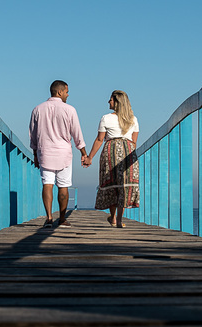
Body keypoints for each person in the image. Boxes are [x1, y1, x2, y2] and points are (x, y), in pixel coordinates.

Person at [29, 80, 88, 228]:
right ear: (60, 92)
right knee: (63, 186)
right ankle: (62, 219)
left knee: (47, 184)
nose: (68, 95)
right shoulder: (70, 110)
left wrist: (35, 154)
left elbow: (33, 135)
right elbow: (77, 134)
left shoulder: (38, 109)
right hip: (63, 154)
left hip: (45, 152)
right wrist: (84, 153)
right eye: (67, 92)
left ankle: (49, 217)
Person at [85, 90, 140, 228]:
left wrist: (89, 157)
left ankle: (114, 218)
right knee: (123, 185)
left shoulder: (106, 118)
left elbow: (99, 139)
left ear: (117, 102)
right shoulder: (133, 119)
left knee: (112, 184)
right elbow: (134, 141)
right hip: (128, 152)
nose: (108, 102)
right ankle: (120, 220)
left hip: (111, 150)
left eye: (110, 99)